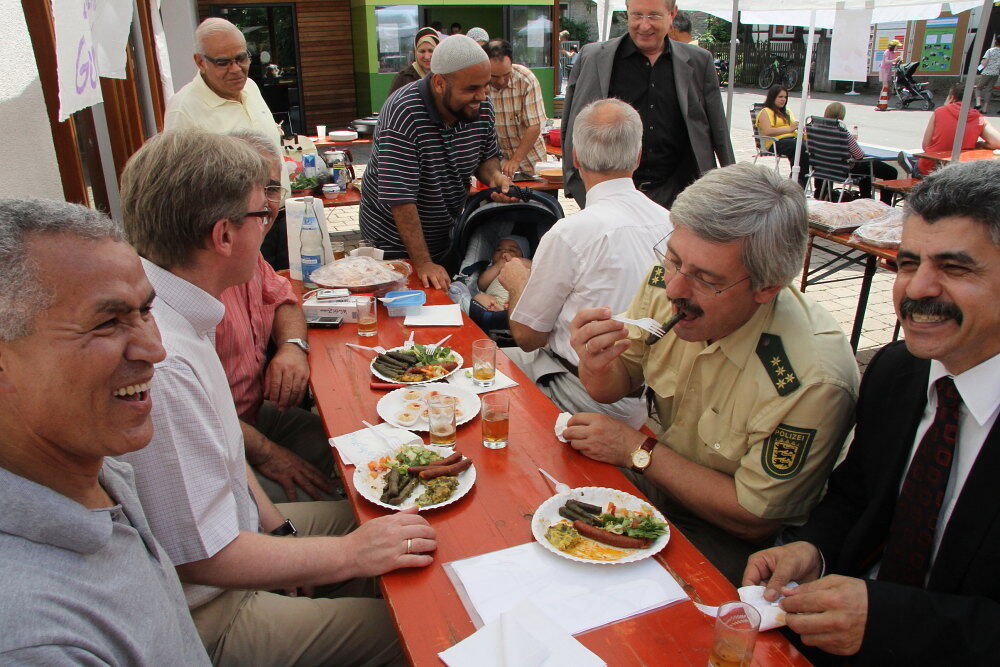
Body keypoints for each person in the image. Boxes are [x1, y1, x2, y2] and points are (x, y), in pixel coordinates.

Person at [117, 130, 435, 665]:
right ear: (223, 235)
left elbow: (225, 460)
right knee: (425, 631)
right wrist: (344, 555)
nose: (268, 224)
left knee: (407, 526)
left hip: (239, 536)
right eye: (260, 215)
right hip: (215, 608)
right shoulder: (162, 357)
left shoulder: (181, 305)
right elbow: (200, 557)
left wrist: (281, 531)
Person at [742, 160, 1000, 664]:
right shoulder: (897, 370)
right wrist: (811, 552)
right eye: (907, 264)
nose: (916, 289)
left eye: (954, 268)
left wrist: (890, 620)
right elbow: (855, 496)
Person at [565, 163, 860, 584]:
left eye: (706, 279)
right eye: (674, 259)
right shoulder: (667, 283)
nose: (674, 290)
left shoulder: (811, 377)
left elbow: (753, 517)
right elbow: (617, 385)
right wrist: (595, 363)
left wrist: (636, 449)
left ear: (768, 287)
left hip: (732, 539)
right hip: (655, 488)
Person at [0, 198, 210, 665]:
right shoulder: (33, 642)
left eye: (145, 311)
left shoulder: (95, 470)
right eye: (107, 322)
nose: (155, 350)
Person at [501, 98, 670, 429]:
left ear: (574, 156)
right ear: (638, 155)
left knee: (481, 371)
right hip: (652, 392)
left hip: (585, 393)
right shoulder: (670, 221)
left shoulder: (571, 233)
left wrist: (517, 279)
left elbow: (527, 335)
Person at [221, 130, 338, 503]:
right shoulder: (197, 281)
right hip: (226, 444)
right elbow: (198, 416)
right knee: (342, 500)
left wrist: (291, 346)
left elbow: (285, 299)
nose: (267, 203)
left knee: (350, 446)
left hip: (259, 415)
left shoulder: (248, 250)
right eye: (255, 190)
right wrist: (267, 454)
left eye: (273, 188)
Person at [359, 35, 517, 289]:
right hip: (392, 244)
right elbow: (401, 200)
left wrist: (496, 178)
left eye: (485, 85)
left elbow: (485, 159)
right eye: (471, 89)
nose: (481, 95)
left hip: (444, 234)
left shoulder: (480, 106)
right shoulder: (403, 112)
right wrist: (422, 263)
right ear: (440, 82)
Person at [561, 0, 734, 209]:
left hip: (679, 194)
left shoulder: (699, 61)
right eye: (636, 16)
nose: (644, 25)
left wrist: (730, 185)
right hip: (610, 194)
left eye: (653, 16)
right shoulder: (595, 57)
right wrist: (573, 182)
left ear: (672, 14)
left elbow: (718, 129)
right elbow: (572, 123)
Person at [164, 17, 290, 272]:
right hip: (238, 230)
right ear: (200, 62)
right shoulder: (184, 109)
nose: (236, 69)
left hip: (281, 215)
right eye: (223, 62)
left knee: (287, 291)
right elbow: (179, 187)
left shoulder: (251, 87)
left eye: (241, 58)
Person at [484, 39, 549, 178]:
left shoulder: (526, 80)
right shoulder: (480, 84)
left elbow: (534, 126)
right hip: (498, 165)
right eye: (494, 76)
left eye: (506, 75)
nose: (501, 81)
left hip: (531, 162)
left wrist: (515, 160)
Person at [822, 102, 898, 204]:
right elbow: (859, 155)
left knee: (866, 169)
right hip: (845, 170)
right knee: (890, 171)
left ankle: (865, 198)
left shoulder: (816, 129)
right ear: (841, 116)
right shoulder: (843, 133)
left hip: (825, 168)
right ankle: (884, 203)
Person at [917, 84, 1000, 175]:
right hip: (959, 172)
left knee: (916, 166)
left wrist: (945, 106)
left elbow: (925, 145)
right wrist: (981, 144)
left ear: (951, 97)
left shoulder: (939, 112)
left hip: (931, 169)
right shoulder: (978, 117)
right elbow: (997, 142)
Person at [756, 85, 810, 189]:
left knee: (809, 148)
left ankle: (800, 182)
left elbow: (793, 127)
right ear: (773, 97)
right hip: (775, 142)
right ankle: (797, 184)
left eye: (785, 97)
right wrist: (789, 129)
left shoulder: (787, 112)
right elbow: (768, 131)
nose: (783, 100)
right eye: (780, 97)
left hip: (791, 140)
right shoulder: (765, 111)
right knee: (799, 148)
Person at [474, 236, 531, 312]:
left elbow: (535, 266)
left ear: (523, 256)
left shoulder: (525, 266)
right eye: (499, 250)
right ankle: (499, 311)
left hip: (517, 301)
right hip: (494, 302)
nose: (504, 252)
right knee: (478, 297)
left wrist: (514, 261)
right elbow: (481, 285)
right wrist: (498, 266)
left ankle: (507, 311)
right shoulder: (493, 269)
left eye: (512, 250)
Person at [389, 27, 440, 94]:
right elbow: (393, 103)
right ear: (415, 52)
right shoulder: (403, 78)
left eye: (431, 51)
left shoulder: (444, 75)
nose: (427, 56)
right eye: (422, 51)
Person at [974, 35, 1000, 112]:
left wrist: (978, 69)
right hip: (996, 73)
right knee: (989, 90)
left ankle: (978, 104)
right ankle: (985, 109)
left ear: (996, 41)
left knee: (978, 88)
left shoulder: (990, 51)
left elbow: (984, 62)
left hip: (987, 72)